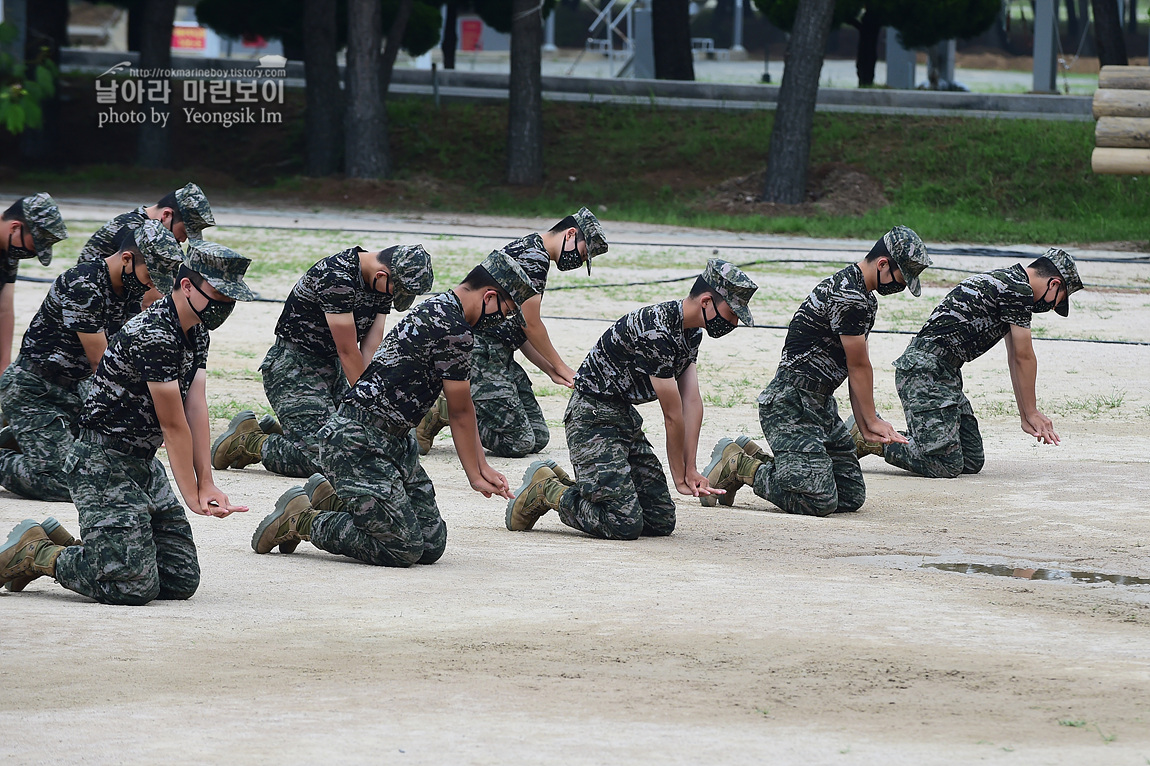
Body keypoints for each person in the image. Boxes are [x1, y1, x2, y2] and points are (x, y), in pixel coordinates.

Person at [0, 241, 254, 605]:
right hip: (102, 463)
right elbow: (173, 424)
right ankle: (37, 553)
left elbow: (195, 407)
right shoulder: (156, 333)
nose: (224, 306)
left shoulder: (196, 331)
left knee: (178, 581)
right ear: (186, 286)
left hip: (142, 464)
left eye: (231, 299)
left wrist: (208, 482)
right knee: (130, 589)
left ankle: (105, 553)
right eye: (219, 295)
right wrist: (193, 495)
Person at [249, 250, 536, 568]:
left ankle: (344, 500)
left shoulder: (442, 308)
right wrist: (475, 475)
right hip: (360, 439)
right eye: (505, 311)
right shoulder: (454, 328)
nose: (501, 320)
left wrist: (484, 466)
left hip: (395, 439)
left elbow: (463, 403)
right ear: (490, 296)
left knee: (430, 546)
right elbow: (459, 412)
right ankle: (301, 519)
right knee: (403, 548)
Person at [506, 258, 757, 540]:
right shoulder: (657, 330)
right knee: (622, 523)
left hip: (622, 417)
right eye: (732, 312)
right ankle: (547, 489)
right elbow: (673, 415)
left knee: (660, 520)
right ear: (707, 301)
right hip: (591, 419)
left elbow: (692, 402)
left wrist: (691, 469)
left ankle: (589, 488)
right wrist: (679, 476)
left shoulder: (690, 332)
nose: (734, 322)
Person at [702, 226, 932, 517]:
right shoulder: (850, 297)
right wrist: (872, 419)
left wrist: (865, 425)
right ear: (883, 264)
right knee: (818, 501)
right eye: (901, 278)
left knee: (849, 496)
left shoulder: (862, 295)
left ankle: (764, 458)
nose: (900, 286)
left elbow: (853, 367)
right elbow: (860, 365)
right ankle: (740, 464)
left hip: (820, 406)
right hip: (790, 405)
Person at [851, 248, 1082, 478]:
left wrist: (1026, 414)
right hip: (924, 372)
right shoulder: (1018, 290)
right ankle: (867, 438)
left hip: (944, 373)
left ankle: (924, 440)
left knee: (971, 459)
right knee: (944, 464)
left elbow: (1014, 356)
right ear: (1054, 284)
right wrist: (1031, 412)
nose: (1051, 307)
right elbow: (1024, 356)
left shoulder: (1008, 282)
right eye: (1057, 302)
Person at [210, 244, 434, 478]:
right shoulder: (336, 277)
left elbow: (371, 345)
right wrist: (369, 407)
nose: (391, 297)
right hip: (294, 369)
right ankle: (251, 442)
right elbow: (348, 350)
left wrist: (381, 401)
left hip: (333, 369)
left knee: (365, 450)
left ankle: (293, 435)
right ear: (382, 275)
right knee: (329, 461)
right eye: (395, 292)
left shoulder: (381, 282)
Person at [0, 221, 184, 502]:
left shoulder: (129, 286)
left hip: (77, 387)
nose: (151, 285)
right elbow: (103, 363)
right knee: (68, 481)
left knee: (113, 464)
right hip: (34, 390)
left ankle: (31, 439)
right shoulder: (82, 284)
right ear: (126, 259)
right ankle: (14, 452)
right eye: (150, 274)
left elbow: (130, 353)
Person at [414, 207, 608, 458]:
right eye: (582, 254)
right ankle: (447, 408)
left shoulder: (531, 248)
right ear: (570, 234)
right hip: (481, 351)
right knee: (518, 443)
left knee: (538, 436)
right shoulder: (533, 259)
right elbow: (531, 323)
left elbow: (519, 328)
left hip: (500, 352)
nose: (578, 262)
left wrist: (549, 370)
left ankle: (462, 405)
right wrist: (562, 366)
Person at [77, 182, 214, 311]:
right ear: (166, 215)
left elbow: (169, 286)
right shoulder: (135, 229)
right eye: (184, 232)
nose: (183, 240)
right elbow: (151, 300)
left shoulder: (158, 237)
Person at [0, 193, 68, 372]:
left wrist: (3, 364)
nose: (29, 255)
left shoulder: (8, 252)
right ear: (15, 228)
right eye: (32, 248)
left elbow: (4, 309)